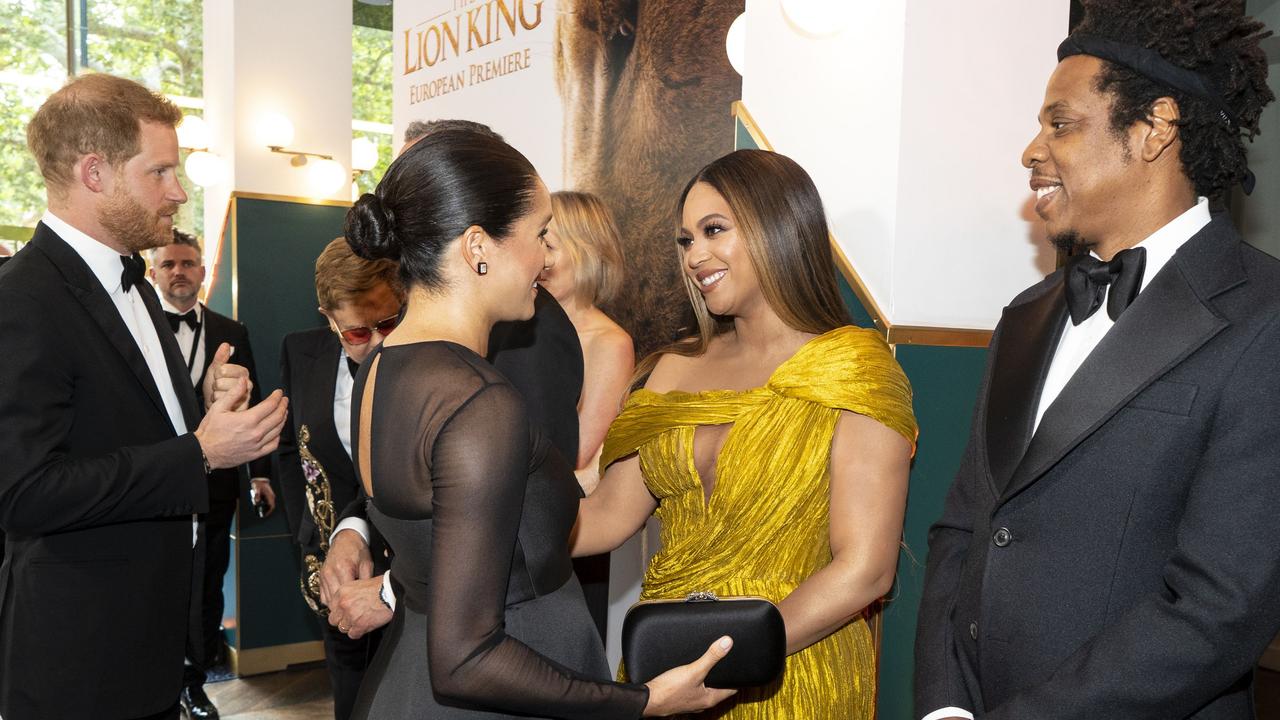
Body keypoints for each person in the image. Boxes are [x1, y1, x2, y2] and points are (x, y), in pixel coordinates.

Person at [913, 2, 1280, 719]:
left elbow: (1217, 609)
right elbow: (964, 529)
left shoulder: (1264, 317)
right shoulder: (1027, 314)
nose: (1031, 149)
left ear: (1153, 129)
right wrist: (945, 704)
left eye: (1061, 123)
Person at [342, 126, 735, 718]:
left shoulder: (378, 369)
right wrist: (645, 701)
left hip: (403, 680)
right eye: (540, 233)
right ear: (478, 247)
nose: (549, 256)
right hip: (516, 687)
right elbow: (467, 658)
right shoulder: (479, 403)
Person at [573, 148, 918, 719]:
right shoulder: (673, 369)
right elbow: (606, 517)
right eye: (686, 240)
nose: (694, 256)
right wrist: (494, 518)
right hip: (667, 676)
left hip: (792, 671)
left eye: (714, 230)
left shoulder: (853, 366)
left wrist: (727, 656)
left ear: (777, 227)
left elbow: (865, 569)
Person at [0, 72, 288, 719]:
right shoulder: (21, 299)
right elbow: (23, 493)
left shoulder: (135, 288)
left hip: (153, 647)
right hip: (82, 661)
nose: (179, 192)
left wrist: (201, 402)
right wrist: (201, 452)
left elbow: (120, 422)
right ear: (95, 173)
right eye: (160, 172)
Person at [321, 120, 589, 645]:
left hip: (505, 630)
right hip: (463, 642)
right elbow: (417, 481)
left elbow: (533, 517)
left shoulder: (531, 325)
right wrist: (356, 529)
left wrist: (394, 591)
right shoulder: (397, 347)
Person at [150, 227, 276, 720]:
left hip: (217, 485)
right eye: (168, 264)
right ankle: (158, 680)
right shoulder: (139, 330)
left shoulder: (232, 332)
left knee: (207, 582)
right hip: (156, 483)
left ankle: (194, 682)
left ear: (202, 272)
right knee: (159, 580)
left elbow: (255, 400)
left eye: (187, 263)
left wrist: (260, 474)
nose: (178, 272)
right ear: (154, 273)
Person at [275, 237, 403, 720]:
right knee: (350, 699)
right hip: (333, 571)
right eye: (356, 332)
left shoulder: (423, 360)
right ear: (327, 316)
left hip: (408, 577)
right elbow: (291, 451)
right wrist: (306, 537)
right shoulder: (298, 352)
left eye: (388, 322)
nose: (377, 342)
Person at [540, 191, 635, 492]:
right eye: (533, 242)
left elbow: (577, 453)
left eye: (548, 244)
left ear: (587, 252)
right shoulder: (512, 327)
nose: (537, 258)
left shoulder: (609, 344)